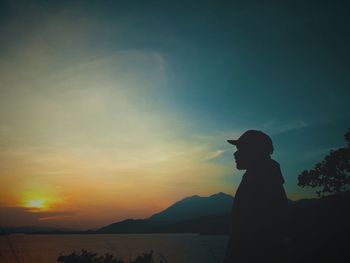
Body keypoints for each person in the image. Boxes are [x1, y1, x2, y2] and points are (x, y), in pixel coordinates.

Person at [224, 130, 289, 263]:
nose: (235, 153)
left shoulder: (259, 179)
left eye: (241, 149)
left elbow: (251, 231)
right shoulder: (264, 176)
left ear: (254, 151)